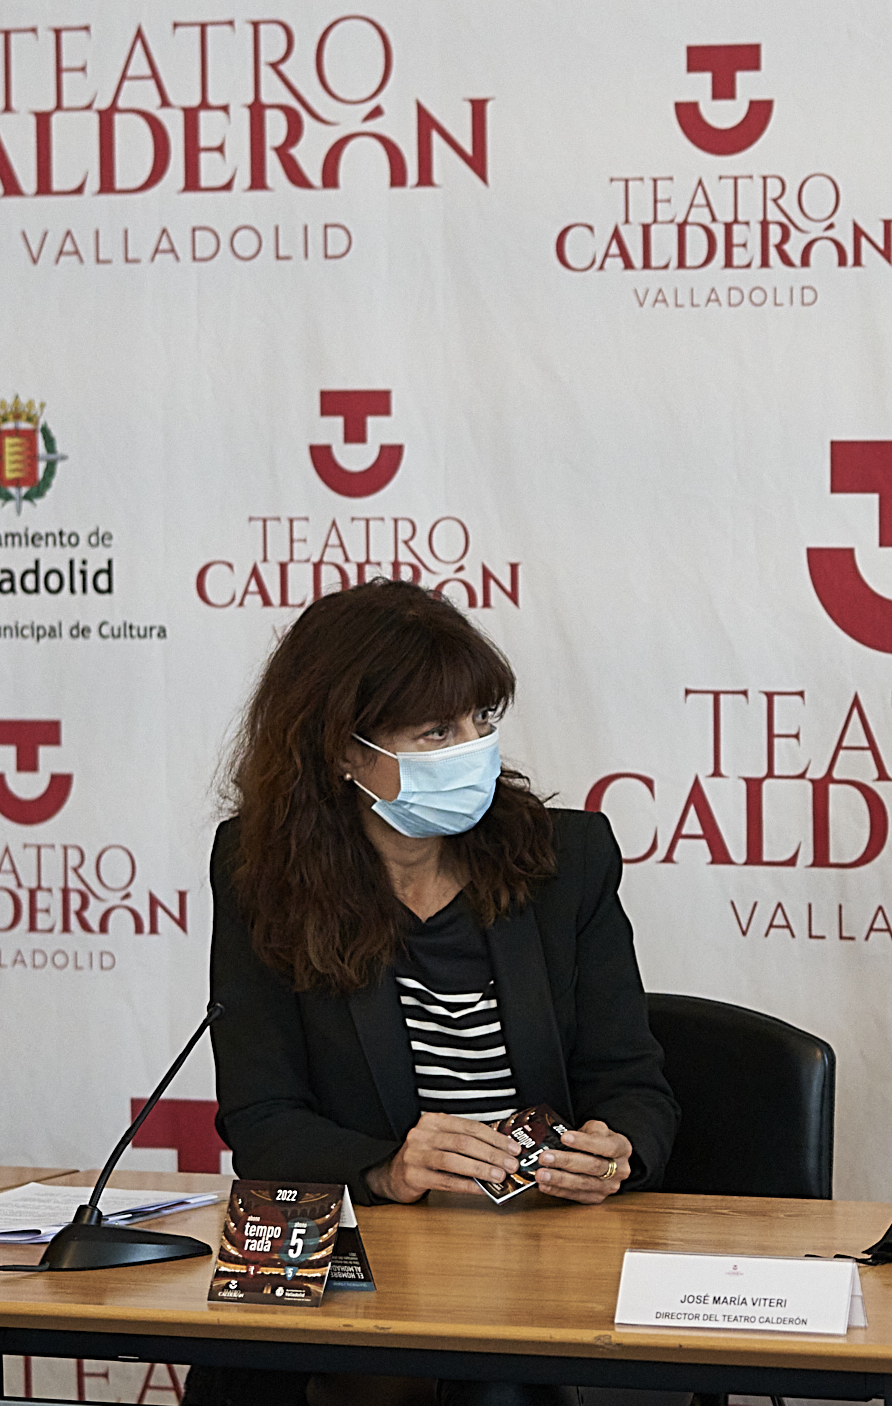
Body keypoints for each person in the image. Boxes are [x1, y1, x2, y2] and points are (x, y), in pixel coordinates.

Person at [199, 580, 677, 1406]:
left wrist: (616, 1148)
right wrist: (388, 1168)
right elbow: (263, 1118)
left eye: (481, 720)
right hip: (370, 1273)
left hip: (548, 1264)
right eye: (437, 731)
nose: (473, 748)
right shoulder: (260, 873)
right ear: (345, 751)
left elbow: (635, 1081)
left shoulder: (566, 859)